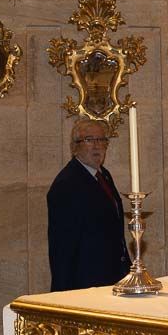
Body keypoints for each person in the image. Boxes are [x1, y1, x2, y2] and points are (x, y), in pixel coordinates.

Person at [47, 118, 130, 291]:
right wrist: (64, 293)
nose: (97, 145)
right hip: (85, 282)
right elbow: (63, 248)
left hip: (112, 276)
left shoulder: (103, 175)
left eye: (101, 140)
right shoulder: (67, 184)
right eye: (89, 140)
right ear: (74, 147)